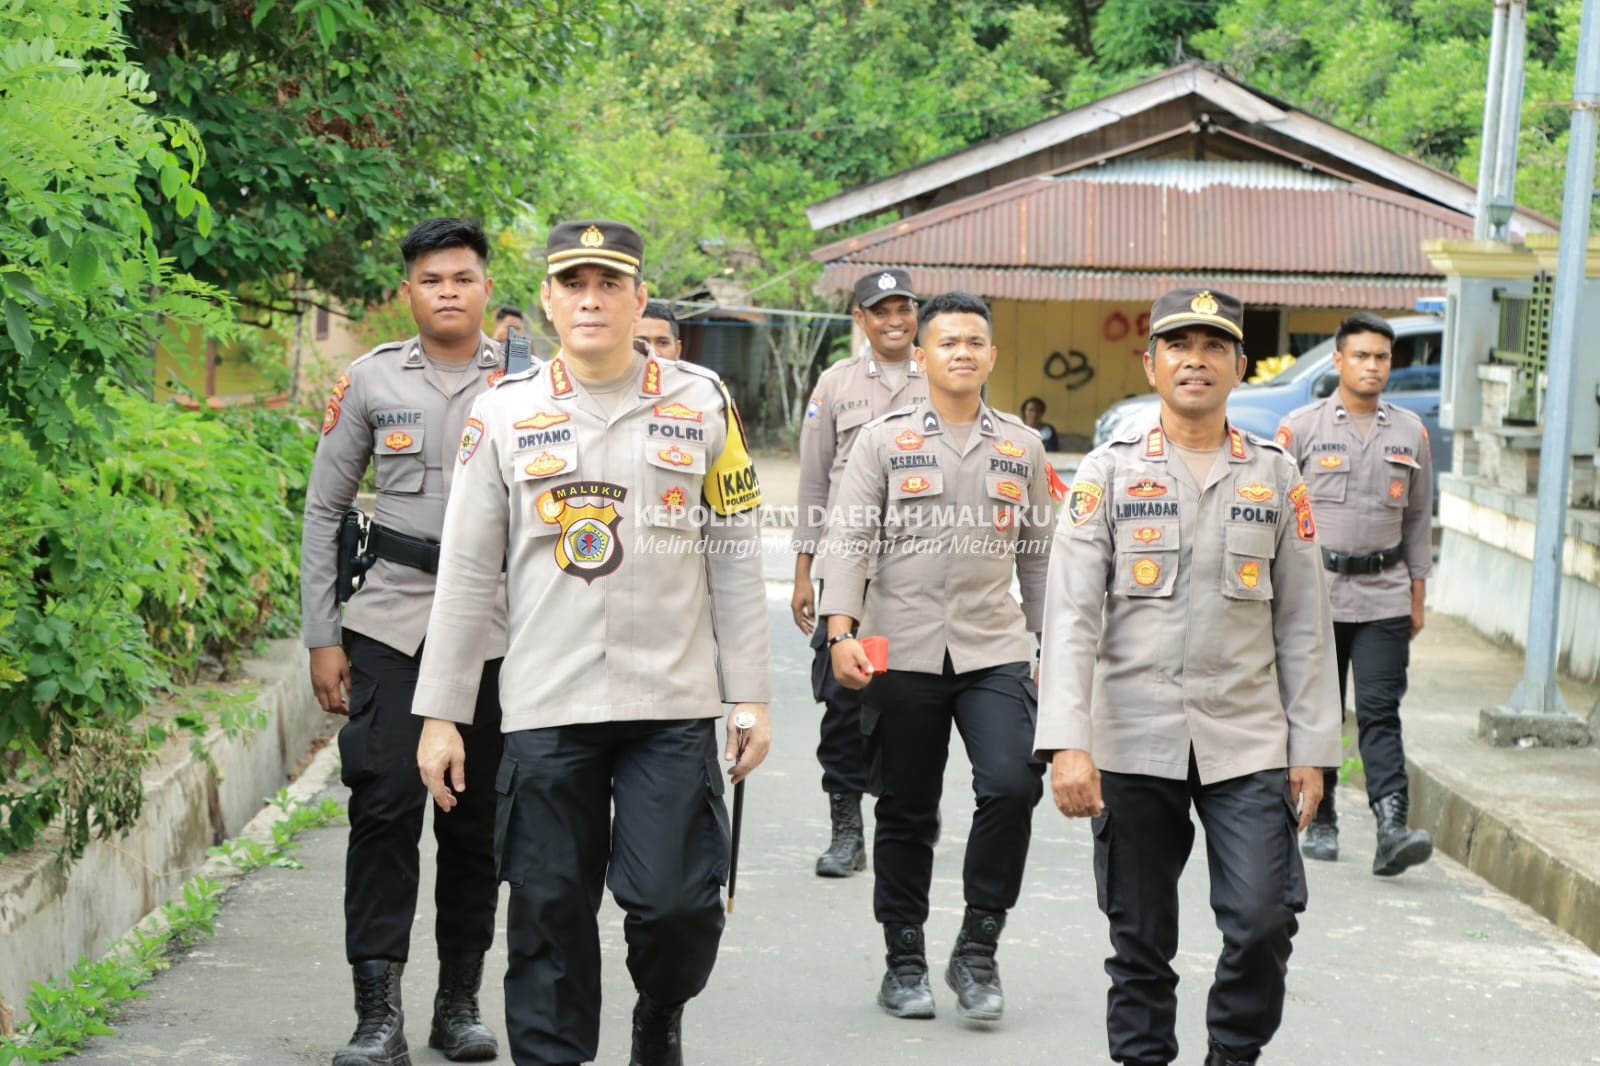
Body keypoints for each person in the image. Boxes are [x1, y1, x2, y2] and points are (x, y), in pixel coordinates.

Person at [411, 220, 773, 1066]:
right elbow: (467, 574)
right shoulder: (502, 414)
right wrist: (441, 715)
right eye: (572, 284)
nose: (590, 300)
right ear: (546, 299)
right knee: (546, 912)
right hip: (547, 703)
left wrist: (749, 693)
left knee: (678, 906)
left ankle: (660, 1009)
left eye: (609, 284)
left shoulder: (702, 403)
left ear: (640, 298)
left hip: (671, 702)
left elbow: (733, 555)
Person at [1036, 288, 1340, 1066]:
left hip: (1247, 740)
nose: (1195, 359)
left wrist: (1313, 750)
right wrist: (1068, 743)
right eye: (1179, 345)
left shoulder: (1277, 477)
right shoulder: (1105, 476)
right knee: (1139, 937)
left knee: (1264, 918)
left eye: (1213, 346)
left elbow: (1306, 625)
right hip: (1133, 739)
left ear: (1241, 365)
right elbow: (1070, 618)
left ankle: (1231, 1054)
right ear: (1151, 364)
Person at [299, 217, 507, 1066]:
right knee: (382, 807)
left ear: (488, 286)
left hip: (499, 631)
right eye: (432, 279)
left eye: (462, 277)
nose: (448, 291)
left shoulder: (531, 385)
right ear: (409, 290)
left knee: (475, 823)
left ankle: (457, 1003)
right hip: (389, 617)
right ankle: (376, 1013)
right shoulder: (371, 379)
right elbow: (324, 508)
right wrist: (322, 635)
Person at [821, 291, 1053, 1022]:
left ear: (991, 356)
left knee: (1013, 785)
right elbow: (850, 540)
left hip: (994, 649)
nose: (960, 352)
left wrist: (1056, 652)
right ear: (920, 356)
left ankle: (978, 948)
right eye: (945, 341)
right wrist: (840, 632)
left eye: (974, 341)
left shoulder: (1023, 446)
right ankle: (905, 958)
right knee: (907, 808)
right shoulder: (883, 440)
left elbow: (1043, 560)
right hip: (904, 650)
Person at [1275, 312, 1435, 876]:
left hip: (1385, 596)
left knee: (1378, 712)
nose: (1372, 366)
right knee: (1317, 709)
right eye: (1361, 356)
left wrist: (1418, 594)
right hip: (1315, 595)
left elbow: (1418, 520)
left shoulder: (1410, 432)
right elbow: (1276, 516)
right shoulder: (1300, 428)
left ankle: (1392, 826)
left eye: (1382, 358)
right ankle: (1321, 819)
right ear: (1339, 361)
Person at [792, 267, 929, 878]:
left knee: (911, 701)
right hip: (848, 569)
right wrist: (803, 573)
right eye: (881, 310)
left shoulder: (947, 372)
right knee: (844, 704)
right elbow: (813, 482)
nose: (894, 320)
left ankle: (903, 821)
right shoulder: (835, 383)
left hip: (919, 570)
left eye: (904, 308)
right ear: (860, 318)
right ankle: (846, 831)